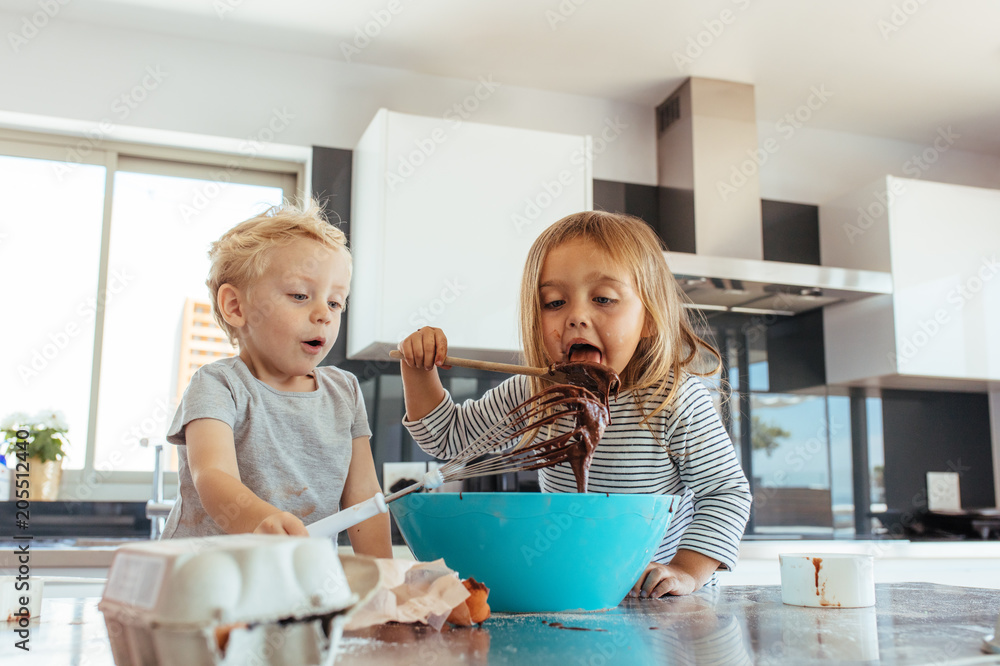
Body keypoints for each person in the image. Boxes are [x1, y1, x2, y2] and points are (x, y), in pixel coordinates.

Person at [397, 211, 751, 596]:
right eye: (554, 302)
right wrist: (417, 369)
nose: (576, 317)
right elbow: (449, 440)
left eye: (603, 298)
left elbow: (727, 491)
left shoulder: (673, 400)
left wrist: (684, 570)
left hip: (660, 605)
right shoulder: (535, 393)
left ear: (649, 317)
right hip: (577, 590)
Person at [161, 201, 392, 557]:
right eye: (300, 295)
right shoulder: (218, 385)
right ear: (236, 307)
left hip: (295, 581)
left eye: (335, 303)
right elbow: (212, 476)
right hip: (201, 578)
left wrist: (384, 579)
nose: (323, 315)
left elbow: (363, 497)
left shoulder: (344, 392)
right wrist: (261, 522)